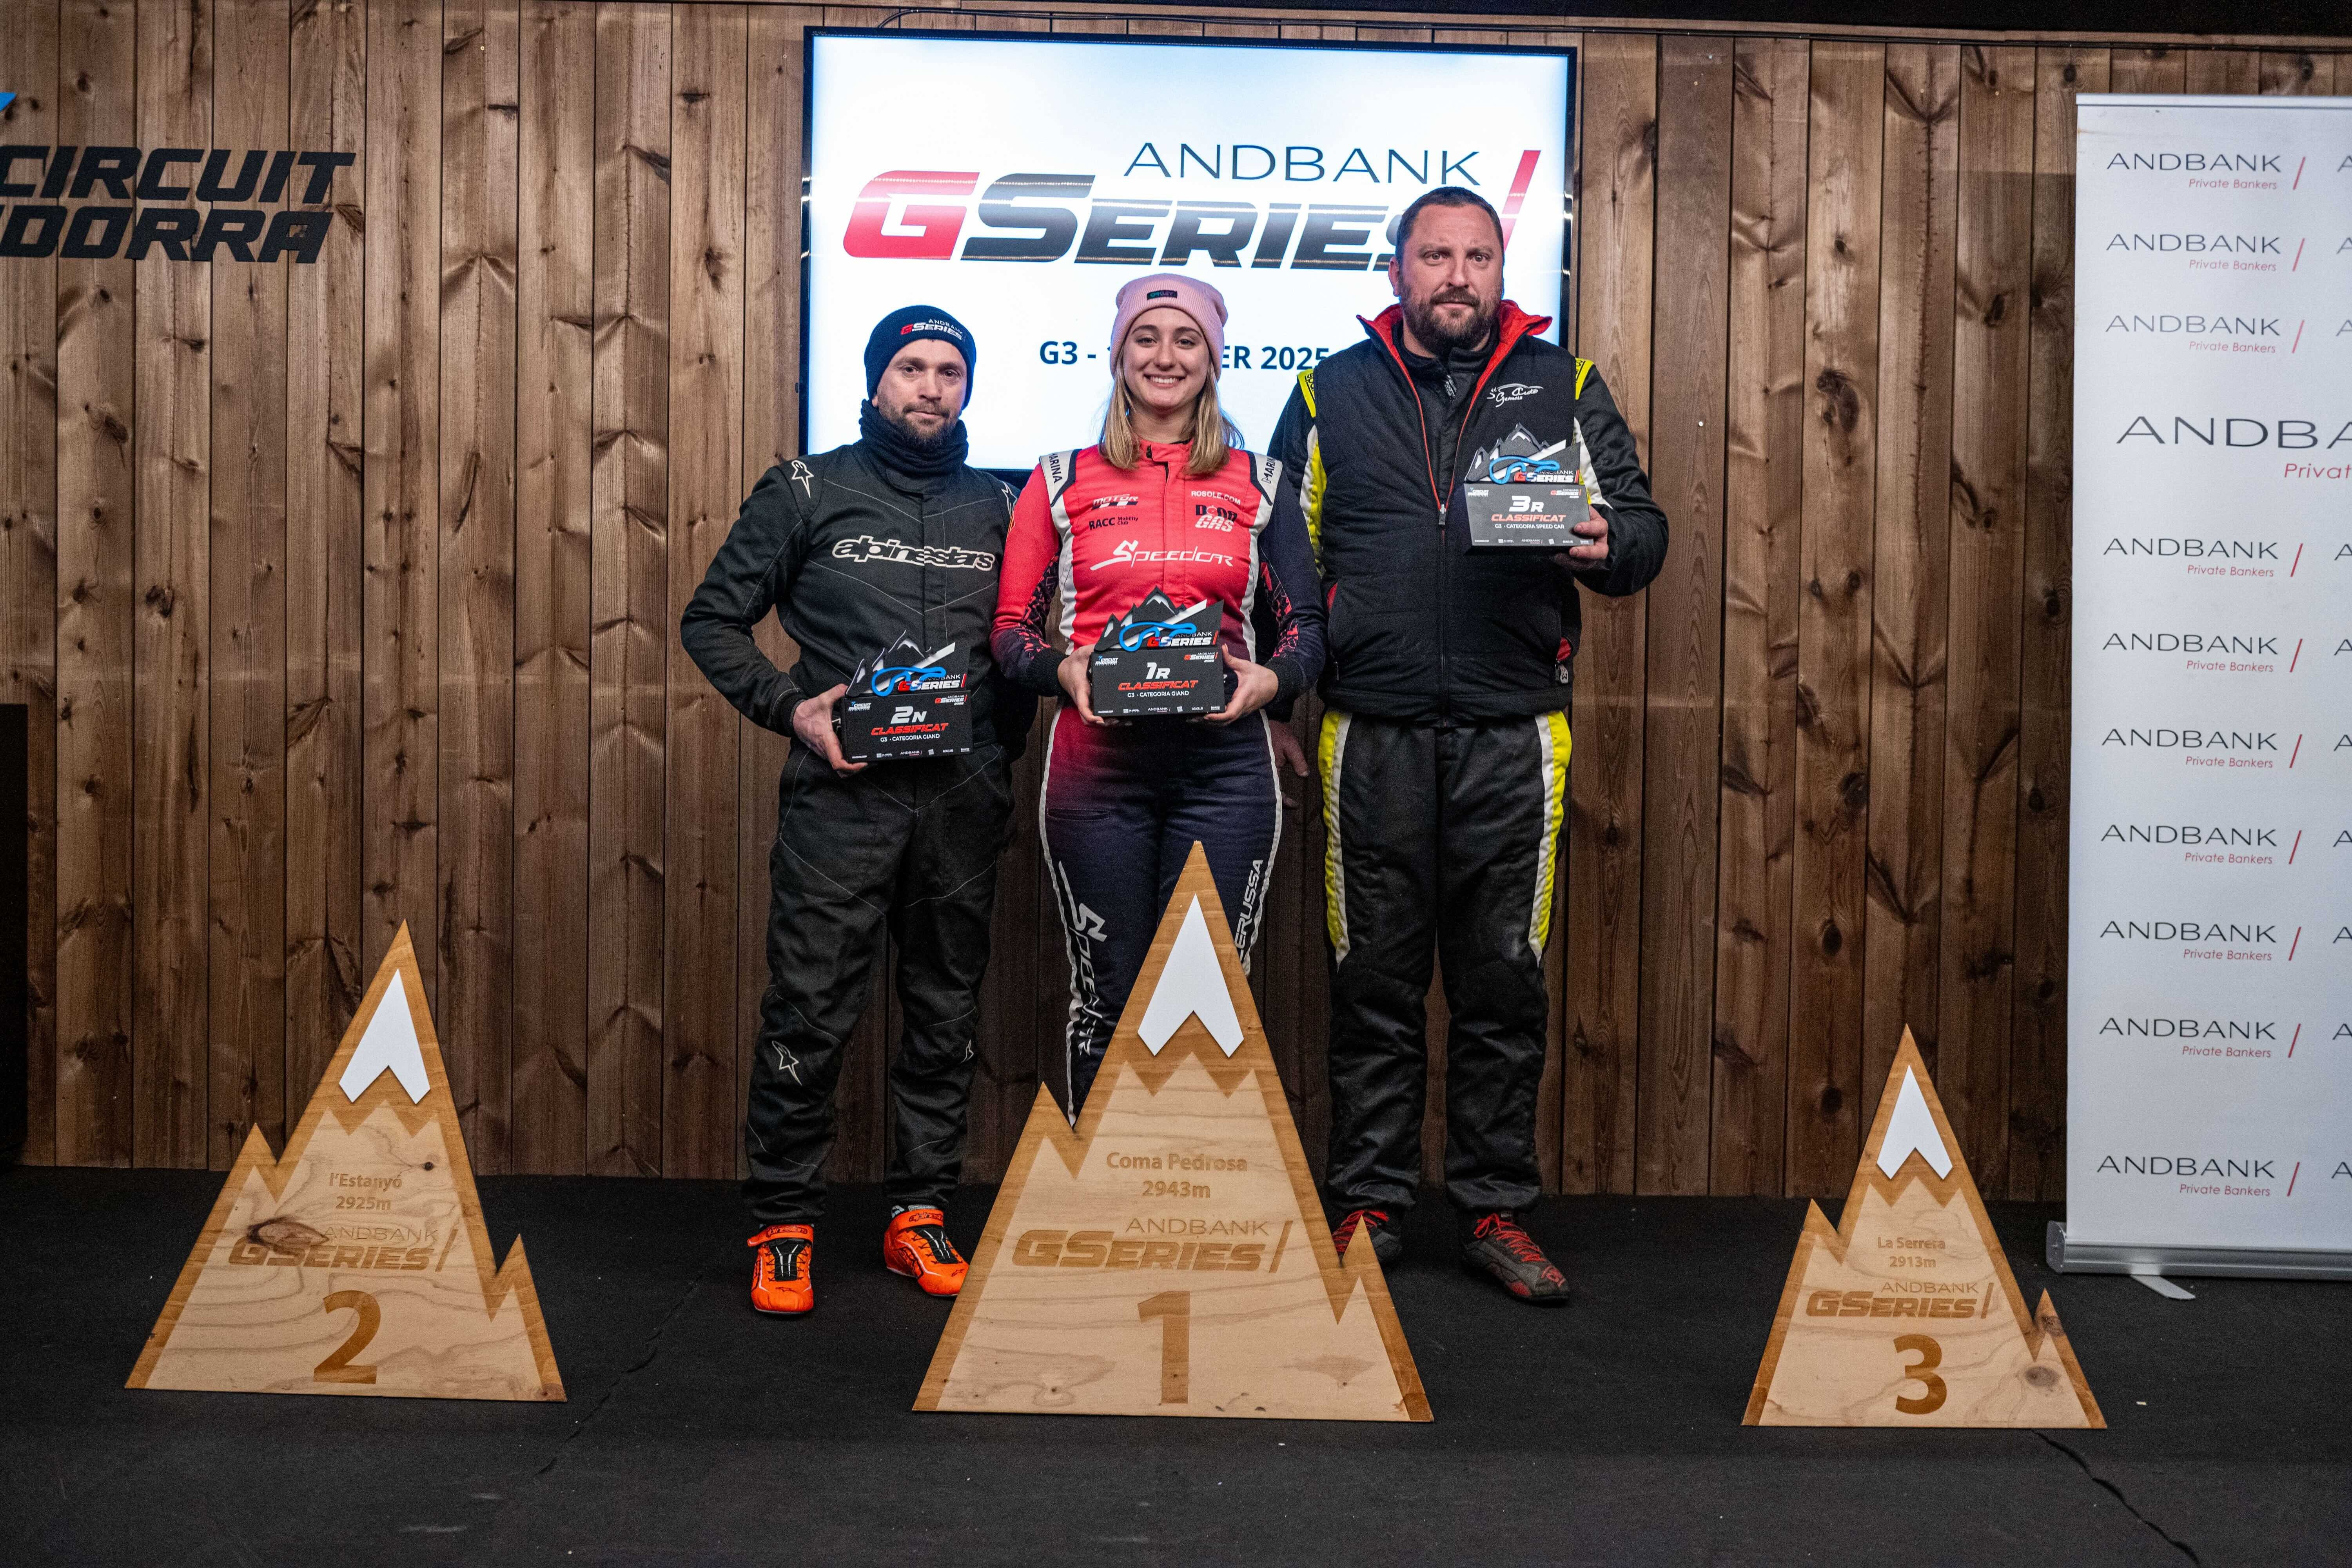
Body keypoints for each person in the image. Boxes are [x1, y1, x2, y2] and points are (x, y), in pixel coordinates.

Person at [1269, 186, 1668, 1305]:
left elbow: (1643, 528)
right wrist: (1273, 704)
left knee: (1505, 984)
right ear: (1396, 272)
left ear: (1503, 268)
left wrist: (1604, 544)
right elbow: (1283, 567)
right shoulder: (1326, 391)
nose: (1458, 276)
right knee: (1373, 983)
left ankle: (1495, 1208)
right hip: (1369, 732)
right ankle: (1371, 1206)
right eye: (1435, 256)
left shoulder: (1564, 384)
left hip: (1515, 734)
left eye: (1478, 256)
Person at [681, 305, 1031, 1316]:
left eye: (950, 371)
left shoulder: (1000, 504)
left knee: (946, 1009)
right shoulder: (807, 488)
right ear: (876, 380)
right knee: (810, 1006)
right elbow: (711, 620)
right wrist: (794, 710)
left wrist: (997, 752)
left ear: (967, 387)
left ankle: (919, 1210)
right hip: (844, 796)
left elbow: (1017, 645)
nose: (931, 386)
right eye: (912, 368)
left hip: (964, 801)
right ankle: (784, 1220)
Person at [994, 274, 1325, 1118]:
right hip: (1094, 775)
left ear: (1213, 358)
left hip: (1227, 775)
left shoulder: (1265, 482)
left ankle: (1198, 1213)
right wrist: (1064, 673)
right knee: (1107, 996)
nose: (1165, 356)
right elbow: (1010, 632)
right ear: (1118, 355)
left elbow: (1305, 630)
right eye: (1147, 337)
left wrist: (1270, 682)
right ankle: (1099, 1209)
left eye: (1186, 339)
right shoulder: (1058, 479)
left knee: (1210, 1000)